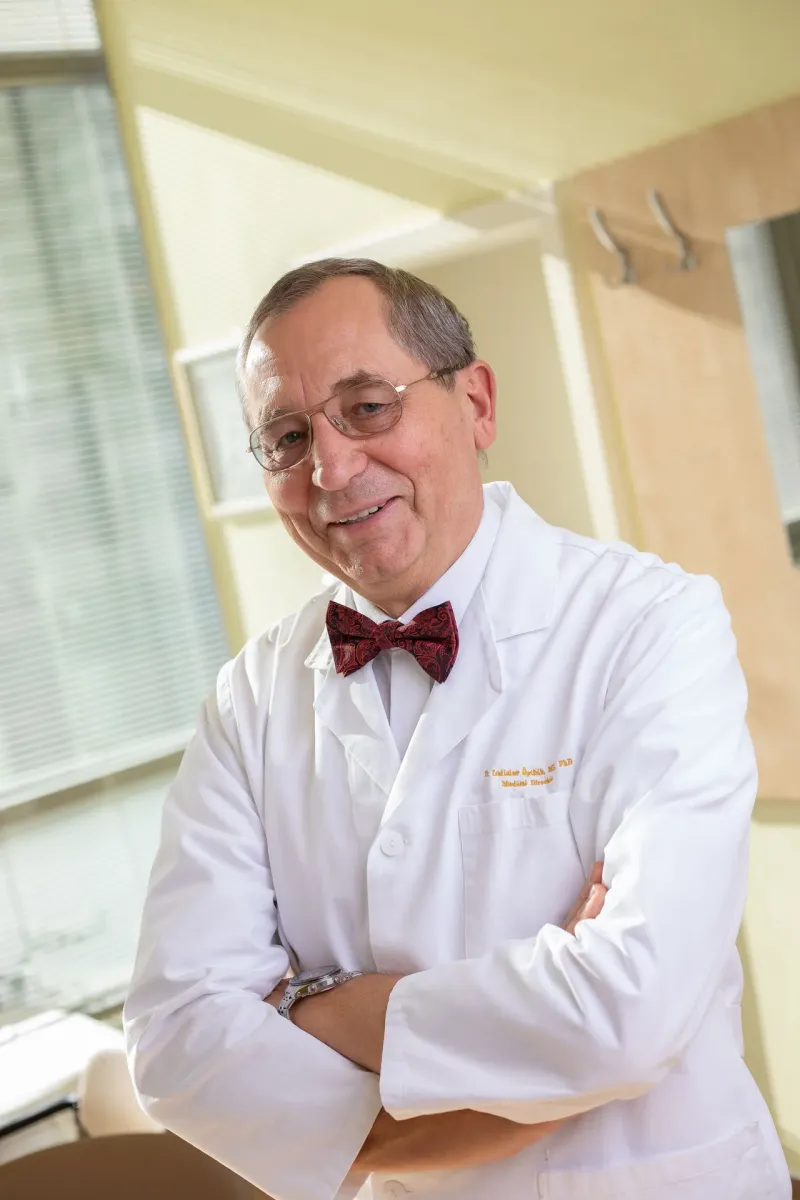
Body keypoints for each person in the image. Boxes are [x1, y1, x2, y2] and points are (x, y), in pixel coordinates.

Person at [124, 259, 791, 1200]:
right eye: (286, 437)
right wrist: (467, 1118)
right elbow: (174, 1037)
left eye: (367, 408)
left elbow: (630, 1012)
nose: (330, 470)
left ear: (475, 402)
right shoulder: (252, 698)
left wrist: (313, 1007)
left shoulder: (650, 623)